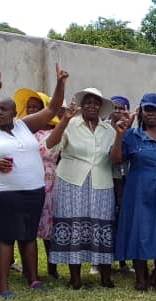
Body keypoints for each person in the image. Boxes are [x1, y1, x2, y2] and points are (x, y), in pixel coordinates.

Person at [0, 64, 68, 299]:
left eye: (3, 109)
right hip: (5, 192)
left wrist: (60, 83)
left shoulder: (26, 126)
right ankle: (4, 286)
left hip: (34, 191)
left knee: (29, 235)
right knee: (6, 237)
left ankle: (33, 279)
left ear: (15, 113)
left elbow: (54, 107)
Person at [43, 86, 117, 289]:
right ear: (82, 105)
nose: (92, 105)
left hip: (101, 181)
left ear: (101, 107)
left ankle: (105, 276)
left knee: (101, 225)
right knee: (73, 225)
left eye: (96, 102)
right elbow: (50, 144)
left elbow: (115, 156)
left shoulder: (109, 130)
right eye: (88, 102)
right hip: (71, 181)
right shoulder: (70, 124)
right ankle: (75, 277)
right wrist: (64, 120)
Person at [110, 93, 156, 292]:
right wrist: (119, 134)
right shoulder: (131, 136)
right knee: (139, 230)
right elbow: (116, 159)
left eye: (155, 110)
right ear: (141, 112)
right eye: (147, 109)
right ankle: (141, 276)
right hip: (139, 191)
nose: (151, 113)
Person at [109, 95, 133, 274]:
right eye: (114, 107)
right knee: (107, 219)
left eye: (122, 108)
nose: (118, 111)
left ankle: (123, 261)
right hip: (106, 179)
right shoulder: (102, 128)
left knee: (123, 218)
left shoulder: (131, 130)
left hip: (125, 180)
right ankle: (101, 261)